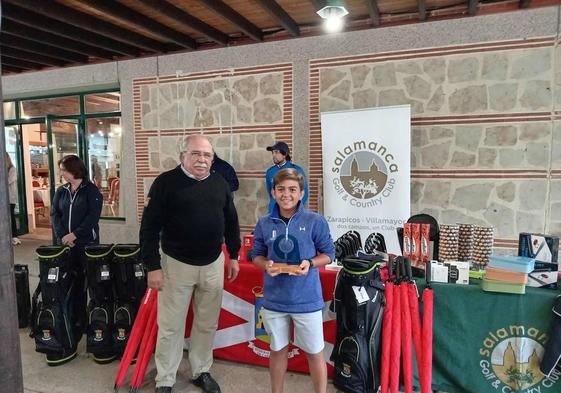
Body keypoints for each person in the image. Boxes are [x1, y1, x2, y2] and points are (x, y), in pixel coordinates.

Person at [139, 135, 241, 393]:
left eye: (207, 155)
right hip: (176, 264)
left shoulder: (220, 184)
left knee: (207, 323)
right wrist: (152, 265)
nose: (202, 159)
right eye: (196, 154)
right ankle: (165, 379)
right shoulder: (165, 183)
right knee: (171, 327)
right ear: (183, 155)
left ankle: (200, 370)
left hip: (213, 264)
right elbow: (149, 228)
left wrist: (235, 255)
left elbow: (231, 221)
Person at [252, 168, 335, 393]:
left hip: (306, 300)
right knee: (277, 350)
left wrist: (309, 263)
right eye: (281, 189)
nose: (286, 194)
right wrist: (266, 266)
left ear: (301, 193)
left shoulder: (315, 221)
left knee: (314, 352)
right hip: (274, 300)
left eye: (292, 189)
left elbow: (329, 253)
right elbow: (256, 255)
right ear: (273, 192)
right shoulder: (264, 222)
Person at [51, 154, 103, 348]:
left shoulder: (91, 191)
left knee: (91, 283)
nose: (62, 173)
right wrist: (63, 235)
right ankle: (76, 320)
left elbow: (92, 217)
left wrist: (75, 235)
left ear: (74, 169)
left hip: (86, 244)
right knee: (72, 282)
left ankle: (95, 320)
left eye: (64, 170)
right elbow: (55, 214)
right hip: (66, 245)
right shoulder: (61, 191)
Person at [265, 141, 308, 213]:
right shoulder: (270, 172)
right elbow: (271, 193)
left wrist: (295, 209)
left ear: (284, 154)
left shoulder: (297, 170)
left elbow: (304, 193)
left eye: (276, 152)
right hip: (274, 211)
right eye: (272, 153)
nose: (273, 155)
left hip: (292, 211)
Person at [5, 152, 20, 245]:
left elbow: (8, 181)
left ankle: (14, 236)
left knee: (11, 216)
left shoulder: (12, 169)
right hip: (5, 198)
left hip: (10, 197)